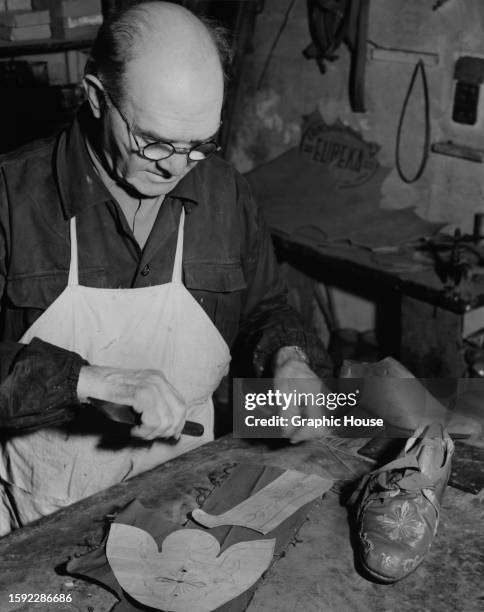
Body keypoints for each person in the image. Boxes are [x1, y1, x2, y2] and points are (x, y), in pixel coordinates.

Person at [0, 1, 330, 535]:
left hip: (186, 500)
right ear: (96, 98)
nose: (176, 166)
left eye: (198, 144)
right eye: (153, 141)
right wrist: (87, 380)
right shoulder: (11, 201)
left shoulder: (225, 193)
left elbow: (264, 308)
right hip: (42, 518)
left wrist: (289, 359)